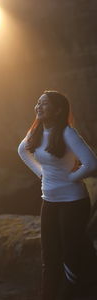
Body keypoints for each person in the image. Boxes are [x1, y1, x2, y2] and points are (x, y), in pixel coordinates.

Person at [17, 90, 97, 300]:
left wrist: (71, 178)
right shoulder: (36, 132)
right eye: (38, 103)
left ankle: (72, 294)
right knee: (49, 254)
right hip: (49, 201)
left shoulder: (67, 133)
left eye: (44, 104)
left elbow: (92, 163)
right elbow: (22, 151)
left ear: (58, 110)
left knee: (71, 253)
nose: (39, 107)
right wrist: (41, 173)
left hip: (73, 202)